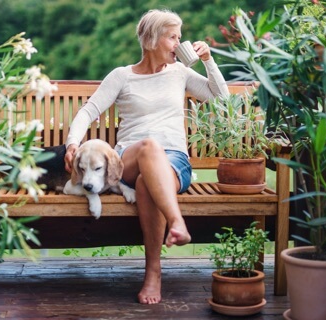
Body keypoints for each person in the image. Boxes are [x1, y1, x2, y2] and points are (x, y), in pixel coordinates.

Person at [63, 9, 229, 305]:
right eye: (173, 37)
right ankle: (177, 222)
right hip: (127, 158)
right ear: (152, 40)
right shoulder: (122, 76)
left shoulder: (180, 73)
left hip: (174, 162)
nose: (179, 44)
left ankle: (153, 273)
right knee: (150, 147)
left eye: (180, 37)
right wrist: (72, 144)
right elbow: (89, 111)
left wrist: (208, 60)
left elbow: (221, 99)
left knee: (144, 185)